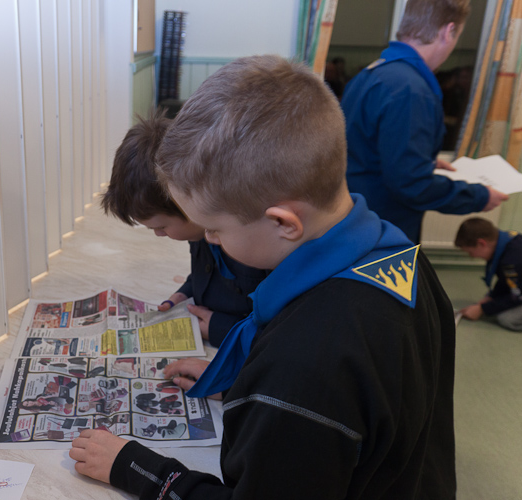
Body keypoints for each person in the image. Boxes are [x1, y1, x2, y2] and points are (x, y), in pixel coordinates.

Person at [70, 55, 457, 499]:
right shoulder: (404, 258)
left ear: (283, 222)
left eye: (214, 229)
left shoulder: (302, 364)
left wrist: (139, 469)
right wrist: (247, 385)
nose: (209, 240)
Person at [341, 0, 507, 243]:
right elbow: (411, 184)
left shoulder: (371, 74)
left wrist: (422, 159)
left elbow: (366, 148)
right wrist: (479, 197)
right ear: (449, 31)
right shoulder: (410, 90)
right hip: (383, 230)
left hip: (355, 219)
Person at [101, 111, 268, 347]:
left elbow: (282, 333)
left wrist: (220, 329)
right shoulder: (197, 231)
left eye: (161, 227)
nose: (159, 234)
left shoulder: (255, 243)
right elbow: (208, 272)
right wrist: (186, 292)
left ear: (190, 206)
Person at [455, 217, 522, 330]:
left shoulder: (511, 260)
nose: (472, 256)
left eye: (470, 252)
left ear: (481, 243)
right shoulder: (505, 242)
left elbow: (517, 296)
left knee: (507, 319)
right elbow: (506, 280)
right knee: (496, 303)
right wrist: (492, 297)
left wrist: (482, 309)